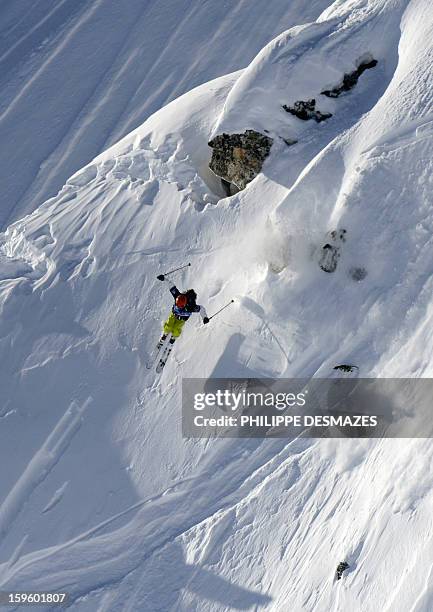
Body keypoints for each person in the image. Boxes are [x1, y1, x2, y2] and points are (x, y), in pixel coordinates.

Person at [156, 274, 208, 351]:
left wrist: (205, 317)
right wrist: (164, 279)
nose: (179, 307)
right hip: (174, 315)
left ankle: (173, 338)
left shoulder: (191, 307)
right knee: (168, 325)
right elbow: (171, 286)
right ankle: (165, 334)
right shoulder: (177, 295)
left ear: (184, 304)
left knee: (176, 329)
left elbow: (201, 309)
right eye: (177, 305)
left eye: (180, 306)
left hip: (182, 319)